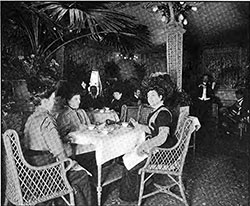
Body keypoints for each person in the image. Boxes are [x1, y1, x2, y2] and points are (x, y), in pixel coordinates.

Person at [23, 83, 92, 206]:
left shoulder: (31, 118)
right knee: (81, 175)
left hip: (31, 172)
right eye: (53, 98)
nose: (55, 102)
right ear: (45, 101)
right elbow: (60, 155)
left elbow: (39, 143)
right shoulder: (46, 119)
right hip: (46, 174)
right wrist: (73, 163)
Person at [119, 85, 177, 202]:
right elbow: (153, 129)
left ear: (161, 97)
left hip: (164, 152)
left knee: (131, 163)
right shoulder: (158, 111)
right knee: (128, 157)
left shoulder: (163, 114)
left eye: (153, 95)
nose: (150, 98)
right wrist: (138, 126)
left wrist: (144, 146)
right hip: (159, 149)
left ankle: (130, 197)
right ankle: (132, 192)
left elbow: (162, 137)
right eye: (148, 96)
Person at [56, 84, 97, 175]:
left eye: (79, 99)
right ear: (68, 101)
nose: (79, 102)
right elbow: (61, 135)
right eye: (75, 99)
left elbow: (89, 126)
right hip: (77, 148)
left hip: (88, 142)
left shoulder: (81, 112)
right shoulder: (64, 115)